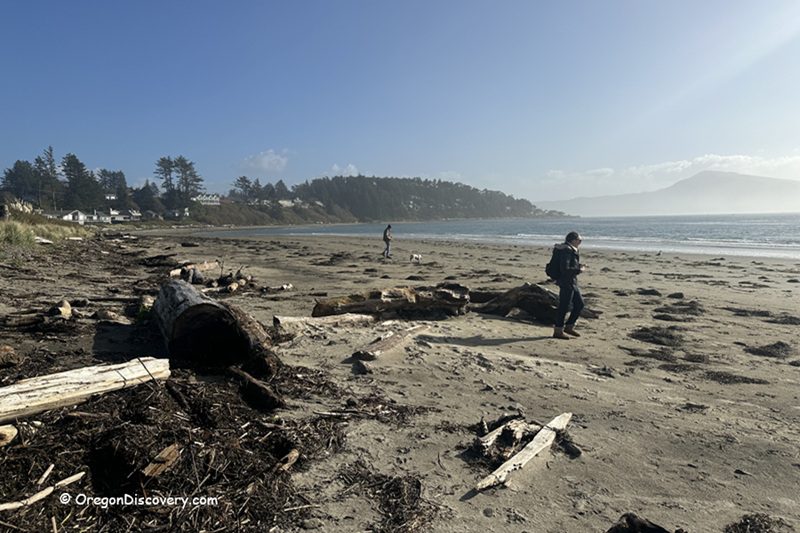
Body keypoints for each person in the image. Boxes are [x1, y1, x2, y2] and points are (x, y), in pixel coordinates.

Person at [552, 231, 586, 340]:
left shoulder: (570, 249)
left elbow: (569, 266)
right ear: (573, 240)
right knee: (564, 306)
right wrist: (579, 270)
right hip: (566, 282)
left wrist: (577, 266)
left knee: (579, 304)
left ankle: (569, 326)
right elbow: (565, 269)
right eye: (579, 240)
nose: (580, 242)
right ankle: (558, 330)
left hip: (572, 281)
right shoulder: (566, 250)